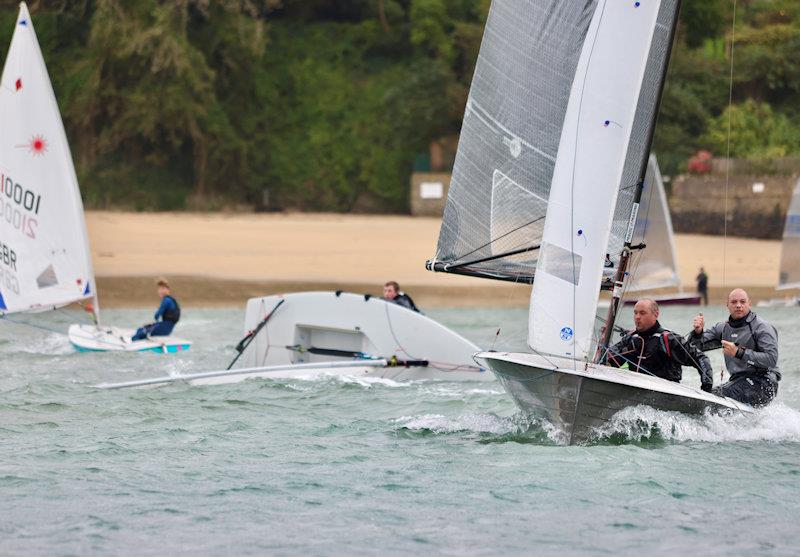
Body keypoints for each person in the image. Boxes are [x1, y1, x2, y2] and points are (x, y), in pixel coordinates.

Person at [689, 288, 780, 407]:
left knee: (715, 396)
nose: (738, 305)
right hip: (738, 381)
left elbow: (771, 360)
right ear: (727, 305)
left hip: (764, 382)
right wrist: (698, 333)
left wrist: (739, 353)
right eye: (734, 302)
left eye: (742, 302)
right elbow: (693, 347)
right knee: (707, 394)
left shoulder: (762, 328)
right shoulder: (723, 328)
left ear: (749, 304)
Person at [603, 298, 713, 392]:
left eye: (642, 313)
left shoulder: (668, 339)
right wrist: (603, 351)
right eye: (635, 313)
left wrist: (706, 388)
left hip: (666, 393)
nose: (637, 317)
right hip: (636, 389)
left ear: (656, 314)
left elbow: (701, 358)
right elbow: (609, 358)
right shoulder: (631, 338)